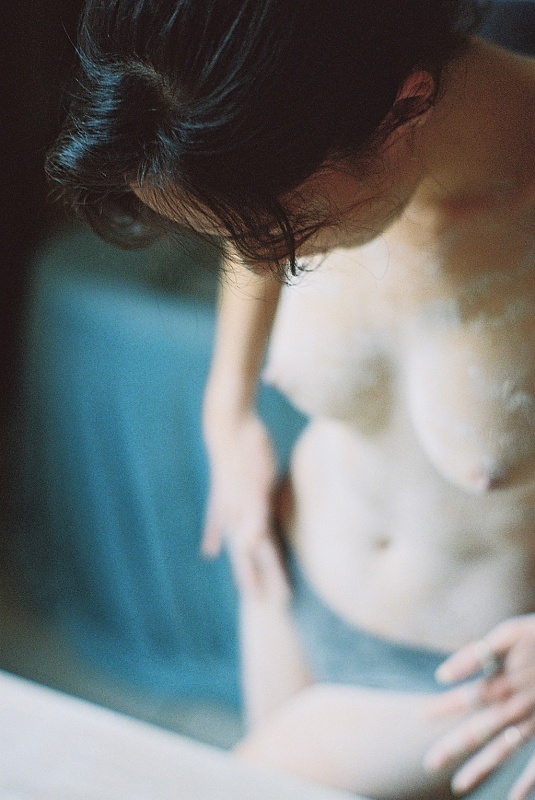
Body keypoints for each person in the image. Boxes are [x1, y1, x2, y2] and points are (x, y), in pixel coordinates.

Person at [46, 1, 535, 797]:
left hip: (470, 685)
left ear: (406, 106)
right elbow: (251, 230)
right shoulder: (291, 141)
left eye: (292, 235)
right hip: (288, 585)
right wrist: (227, 408)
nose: (259, 260)